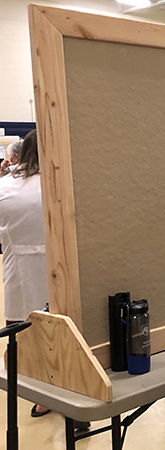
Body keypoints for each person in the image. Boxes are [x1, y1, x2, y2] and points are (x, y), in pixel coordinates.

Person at [0, 130, 51, 418]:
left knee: (24, 335)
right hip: (58, 272)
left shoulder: (6, 188)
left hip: (19, 273)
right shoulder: (58, 183)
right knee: (60, 332)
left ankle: (39, 394)